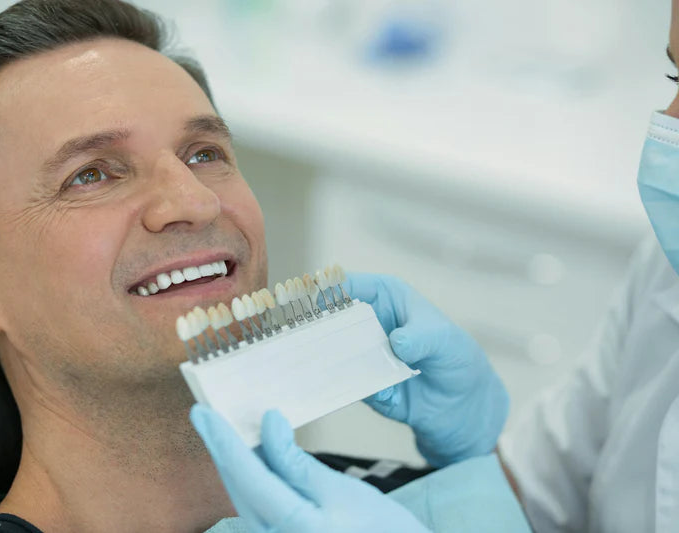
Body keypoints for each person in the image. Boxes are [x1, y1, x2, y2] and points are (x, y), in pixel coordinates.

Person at [0, 0, 518, 532]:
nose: (194, 202)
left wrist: (484, 465)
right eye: (91, 174)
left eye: (204, 153)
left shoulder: (393, 505)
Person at [200, 2, 679, 532]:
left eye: (203, 155)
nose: (669, 123)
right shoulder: (664, 267)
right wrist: (474, 462)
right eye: (675, 77)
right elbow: (548, 491)